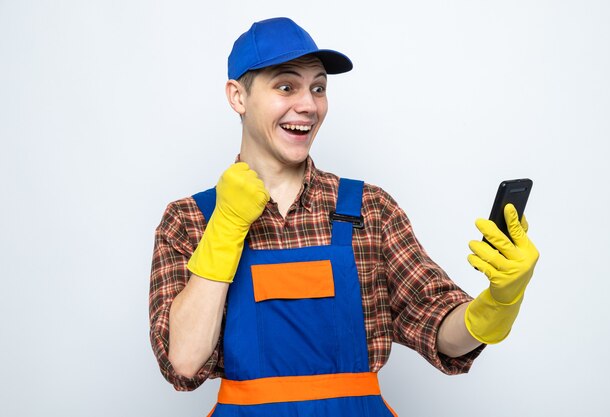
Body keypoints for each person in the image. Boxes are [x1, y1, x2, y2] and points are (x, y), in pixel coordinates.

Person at [149, 17, 539, 416]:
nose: (308, 104)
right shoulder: (189, 221)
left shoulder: (368, 209)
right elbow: (183, 362)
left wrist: (499, 303)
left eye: (318, 88)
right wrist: (226, 225)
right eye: (286, 86)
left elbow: (442, 332)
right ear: (237, 96)